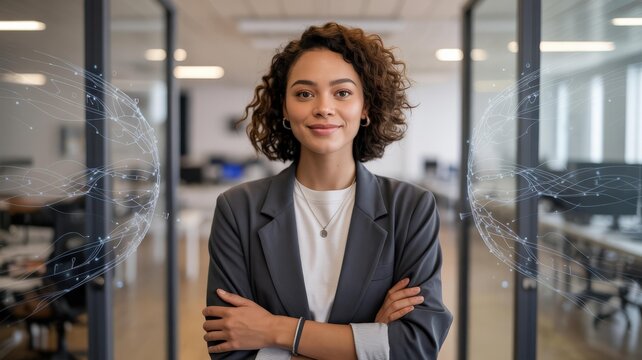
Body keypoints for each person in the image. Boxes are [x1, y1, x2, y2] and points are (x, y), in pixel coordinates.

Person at [202, 22, 452, 359]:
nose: (323, 107)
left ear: (365, 107)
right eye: (304, 93)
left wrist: (274, 330)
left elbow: (417, 346)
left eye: (343, 92)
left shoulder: (410, 208)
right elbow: (228, 347)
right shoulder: (238, 209)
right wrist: (368, 340)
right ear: (285, 110)